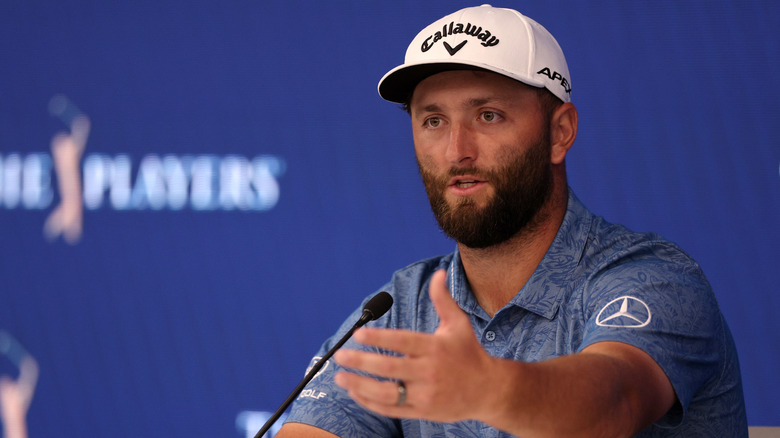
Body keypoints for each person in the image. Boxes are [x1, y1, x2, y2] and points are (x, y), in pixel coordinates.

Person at [276, 5, 747, 437]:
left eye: (489, 115)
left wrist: (490, 390)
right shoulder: (400, 308)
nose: (457, 149)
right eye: (433, 121)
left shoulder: (654, 280)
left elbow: (613, 402)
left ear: (559, 133)